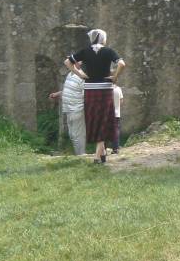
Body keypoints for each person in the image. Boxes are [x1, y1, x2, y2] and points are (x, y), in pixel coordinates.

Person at [64, 29, 125, 164]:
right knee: (103, 119)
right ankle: (98, 157)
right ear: (103, 38)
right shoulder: (108, 51)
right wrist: (115, 77)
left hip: (90, 89)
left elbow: (67, 62)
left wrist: (80, 74)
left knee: (95, 120)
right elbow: (122, 64)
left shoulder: (85, 51)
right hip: (105, 89)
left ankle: (102, 154)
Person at [49, 61, 86, 156]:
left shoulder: (82, 77)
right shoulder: (70, 74)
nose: (69, 63)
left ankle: (81, 155)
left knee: (78, 135)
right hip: (68, 109)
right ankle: (78, 154)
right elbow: (68, 90)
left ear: (79, 63)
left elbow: (85, 94)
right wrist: (57, 94)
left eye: (72, 61)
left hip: (77, 109)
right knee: (72, 134)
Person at [111, 85, 123, 154]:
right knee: (116, 130)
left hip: (107, 113)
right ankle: (115, 148)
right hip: (116, 113)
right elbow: (121, 101)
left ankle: (104, 150)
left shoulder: (106, 89)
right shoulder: (118, 89)